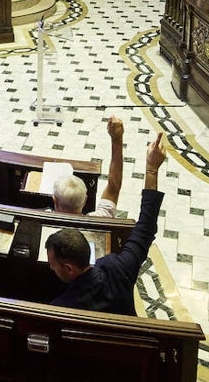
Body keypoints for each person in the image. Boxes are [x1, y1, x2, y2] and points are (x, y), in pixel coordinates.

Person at [46, 133, 166, 315]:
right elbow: (146, 228)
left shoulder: (62, 308)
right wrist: (152, 169)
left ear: (69, 268)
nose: (50, 267)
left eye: (52, 264)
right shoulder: (118, 269)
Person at [52, 116, 127, 217]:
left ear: (55, 201)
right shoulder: (101, 218)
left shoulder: (36, 228)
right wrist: (117, 139)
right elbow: (114, 187)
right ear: (85, 201)